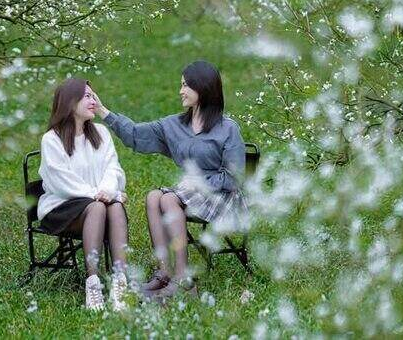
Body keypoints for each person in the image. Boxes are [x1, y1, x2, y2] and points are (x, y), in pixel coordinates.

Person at [92, 60, 248, 301]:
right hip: (190, 193)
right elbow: (135, 135)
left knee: (168, 200)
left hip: (223, 195)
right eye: (181, 85)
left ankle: (183, 281)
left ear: (203, 88)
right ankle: (164, 273)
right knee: (155, 197)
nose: (180, 91)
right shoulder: (174, 125)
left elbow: (234, 178)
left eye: (186, 86)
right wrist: (103, 112)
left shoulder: (228, 129)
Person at [37, 78, 129, 311]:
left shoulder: (101, 133)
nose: (93, 100)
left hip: (97, 204)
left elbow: (113, 168)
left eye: (93, 94)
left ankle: (120, 284)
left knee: (114, 207)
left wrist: (109, 192)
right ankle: (93, 284)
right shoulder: (52, 139)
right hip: (61, 207)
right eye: (86, 96)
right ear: (70, 103)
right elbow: (60, 181)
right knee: (99, 207)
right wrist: (99, 195)